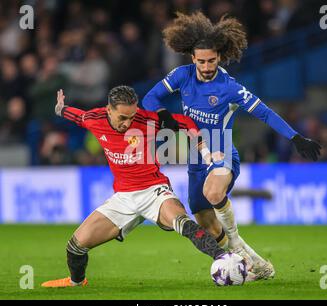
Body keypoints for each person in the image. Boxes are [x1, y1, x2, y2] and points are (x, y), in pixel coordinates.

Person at [142, 11, 321, 279]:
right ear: (192, 58)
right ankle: (255, 265)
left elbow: (265, 112)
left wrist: (295, 137)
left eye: (211, 60)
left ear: (219, 57)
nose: (205, 66)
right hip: (195, 157)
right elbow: (149, 99)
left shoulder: (230, 87)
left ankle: (237, 245)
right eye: (201, 61)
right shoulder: (182, 75)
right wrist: (166, 117)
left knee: (214, 193)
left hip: (222, 151)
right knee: (207, 225)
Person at [41, 86, 242, 288]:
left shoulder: (147, 120)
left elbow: (186, 123)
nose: (128, 123)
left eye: (132, 116)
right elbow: (79, 116)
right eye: (122, 118)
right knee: (75, 247)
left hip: (154, 190)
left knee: (182, 222)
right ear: (108, 110)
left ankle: (225, 259)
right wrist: (61, 109)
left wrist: (206, 154)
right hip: (123, 198)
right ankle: (77, 282)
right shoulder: (95, 119)